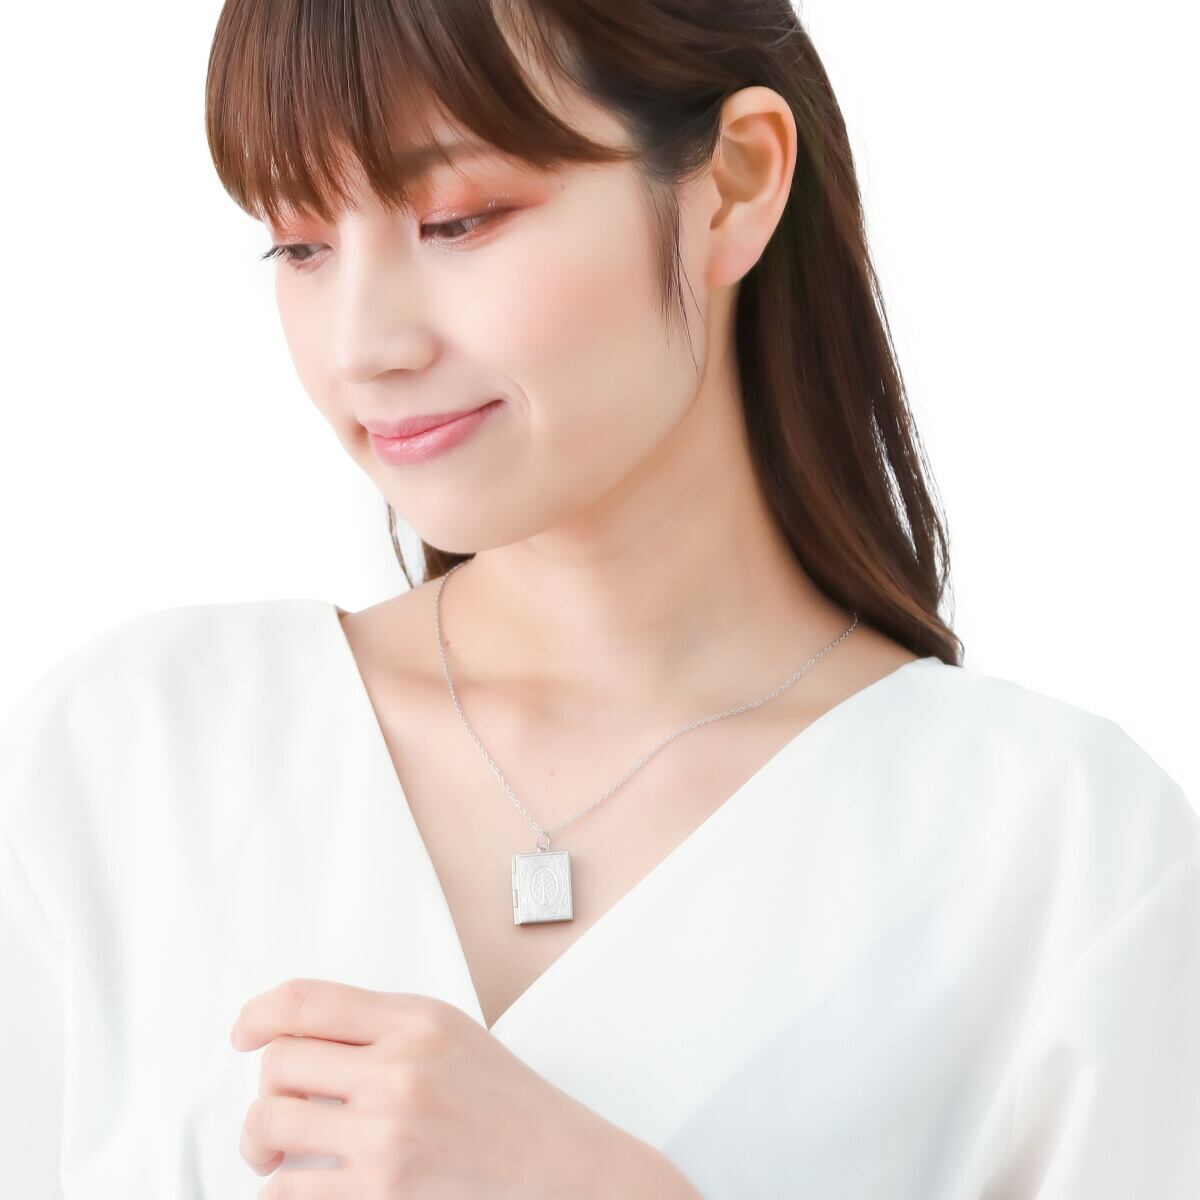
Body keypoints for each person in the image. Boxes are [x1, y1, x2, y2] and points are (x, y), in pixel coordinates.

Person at [2, 1, 1196, 1196]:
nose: (363, 345)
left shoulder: (1062, 857)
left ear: (733, 184)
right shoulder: (129, 757)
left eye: (458, 220)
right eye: (301, 246)